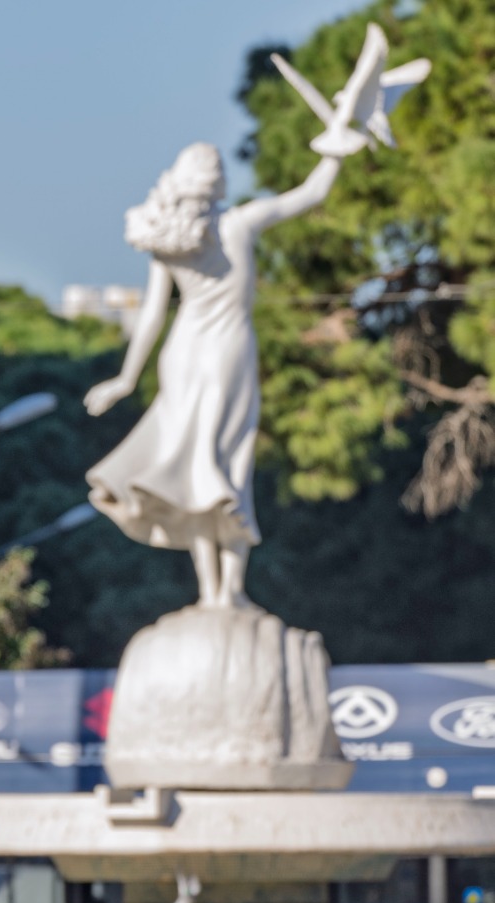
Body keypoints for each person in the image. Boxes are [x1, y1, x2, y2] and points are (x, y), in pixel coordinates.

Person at [84, 140, 350, 609]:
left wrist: (127, 378)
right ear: (219, 182)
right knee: (227, 471)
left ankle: (213, 594)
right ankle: (230, 591)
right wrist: (336, 147)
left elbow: (152, 316)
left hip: (183, 356)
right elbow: (311, 192)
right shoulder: (240, 223)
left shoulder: (169, 238)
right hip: (226, 354)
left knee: (192, 473)